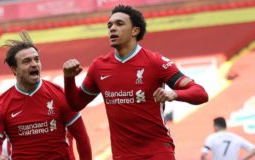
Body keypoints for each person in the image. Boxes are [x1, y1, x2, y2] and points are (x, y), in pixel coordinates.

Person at [63, 4, 209, 160]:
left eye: (119, 24)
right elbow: (76, 104)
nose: (112, 28)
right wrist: (69, 78)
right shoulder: (99, 67)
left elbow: (201, 93)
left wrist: (174, 94)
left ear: (135, 31)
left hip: (157, 152)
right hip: (122, 156)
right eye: (110, 25)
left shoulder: (155, 62)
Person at [0, 31, 92, 160]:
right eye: (27, 61)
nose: (34, 64)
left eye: (36, 59)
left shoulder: (59, 95)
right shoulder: (1, 106)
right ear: (14, 69)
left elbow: (82, 138)